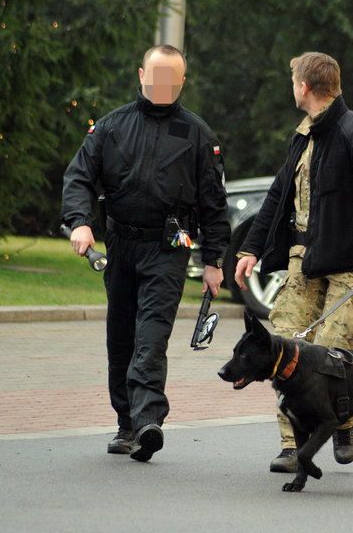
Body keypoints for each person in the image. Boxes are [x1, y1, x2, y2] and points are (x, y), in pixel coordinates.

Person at [234, 52, 353, 473]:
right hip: (304, 260)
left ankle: (345, 422)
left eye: (292, 80)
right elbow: (278, 197)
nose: (291, 87)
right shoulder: (303, 136)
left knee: (334, 354)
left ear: (303, 87)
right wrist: (250, 250)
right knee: (282, 348)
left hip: (350, 264)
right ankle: (291, 446)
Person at [62, 45, 230, 462]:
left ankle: (149, 420)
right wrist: (80, 221)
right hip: (120, 246)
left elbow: (213, 203)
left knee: (151, 334)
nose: (162, 85)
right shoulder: (110, 127)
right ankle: (127, 424)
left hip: (169, 248)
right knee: (121, 337)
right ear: (141, 75)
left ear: (182, 82)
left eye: (172, 79)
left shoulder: (197, 134)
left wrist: (214, 261)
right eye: (156, 76)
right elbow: (79, 177)